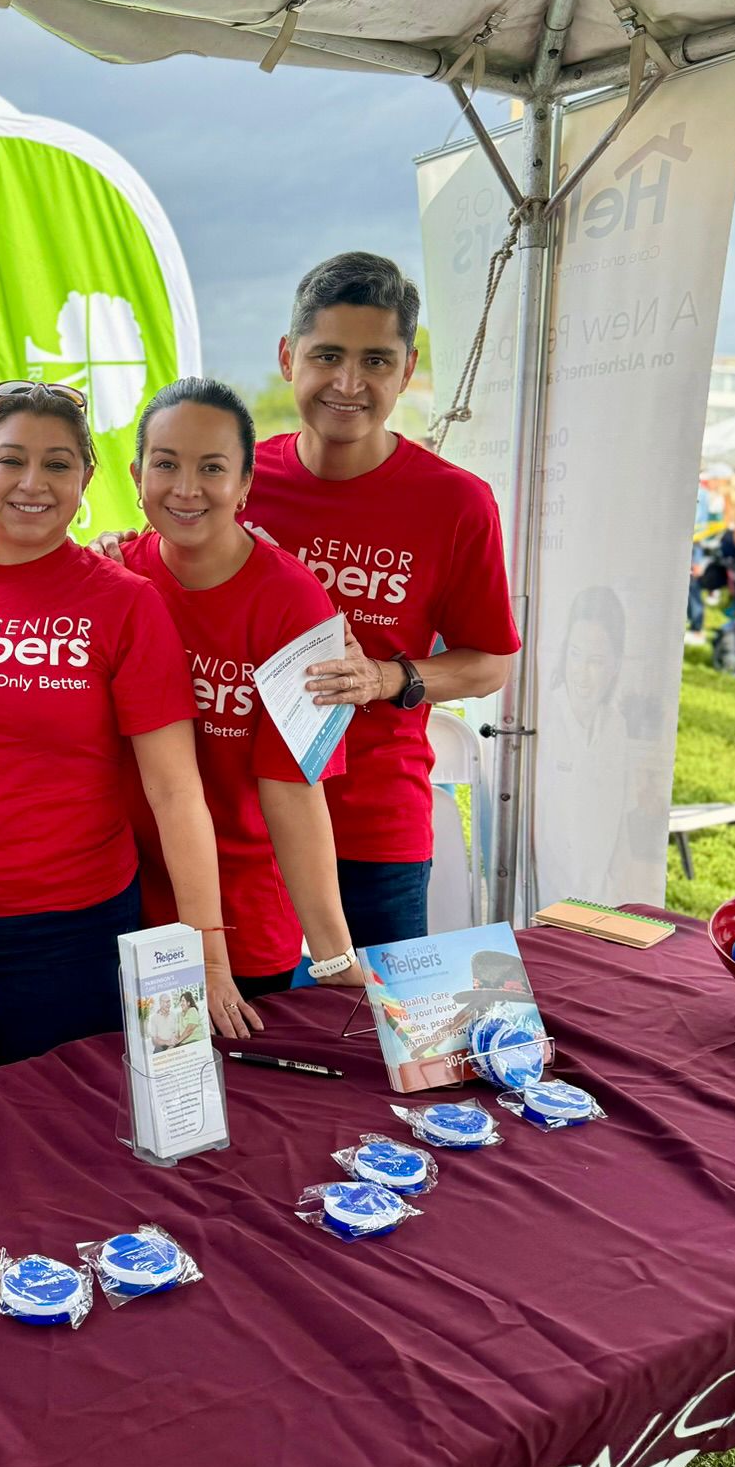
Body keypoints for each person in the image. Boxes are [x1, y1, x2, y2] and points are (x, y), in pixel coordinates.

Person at [0, 380, 257, 1084]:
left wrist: (207, 956)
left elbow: (176, 791)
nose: (33, 483)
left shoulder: (124, 603)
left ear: (85, 479)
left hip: (68, 933)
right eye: (10, 459)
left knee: (61, 1135)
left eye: (57, 464)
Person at [245, 254, 520, 948]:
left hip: (375, 829)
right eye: (327, 355)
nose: (348, 383)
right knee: (247, 1044)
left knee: (380, 1040)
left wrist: (387, 678)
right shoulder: (240, 481)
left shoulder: (455, 502)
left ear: (407, 367)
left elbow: (490, 664)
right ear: (287, 356)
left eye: (375, 360)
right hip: (242, 823)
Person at [122, 378, 362, 996]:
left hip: (241, 921)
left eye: (212, 468)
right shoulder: (117, 575)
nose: (185, 488)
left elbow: (294, 793)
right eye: (166, 464)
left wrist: (334, 959)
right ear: (136, 474)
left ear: (246, 484)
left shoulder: (294, 603)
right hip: (118, 907)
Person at [534, 585, 634, 905]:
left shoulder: (616, 728)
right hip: (544, 906)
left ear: (616, 664)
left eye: (596, 661)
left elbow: (621, 831)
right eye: (575, 654)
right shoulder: (543, 720)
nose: (582, 673)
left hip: (599, 904)